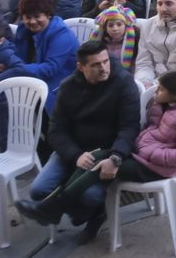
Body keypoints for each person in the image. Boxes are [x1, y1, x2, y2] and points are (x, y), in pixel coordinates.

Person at [13, 39, 141, 242]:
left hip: (107, 152)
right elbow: (56, 130)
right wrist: (75, 155)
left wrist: (116, 156)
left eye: (106, 61)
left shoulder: (124, 83)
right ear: (81, 67)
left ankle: (91, 212)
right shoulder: (68, 86)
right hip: (75, 149)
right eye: (96, 65)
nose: (103, 68)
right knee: (38, 190)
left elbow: (130, 127)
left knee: (89, 196)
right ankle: (81, 212)